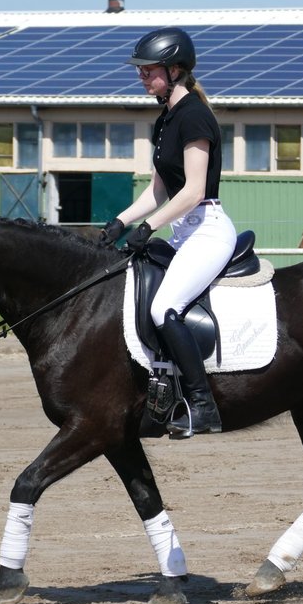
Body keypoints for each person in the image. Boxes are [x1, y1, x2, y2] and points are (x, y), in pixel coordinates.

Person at [97, 27, 236, 439]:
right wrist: (121, 222)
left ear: (175, 70)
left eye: (149, 70)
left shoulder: (194, 115)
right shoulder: (166, 118)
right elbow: (159, 190)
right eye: (140, 71)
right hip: (184, 229)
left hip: (208, 229)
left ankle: (202, 405)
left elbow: (193, 191)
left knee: (165, 309)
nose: (142, 77)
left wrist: (149, 227)